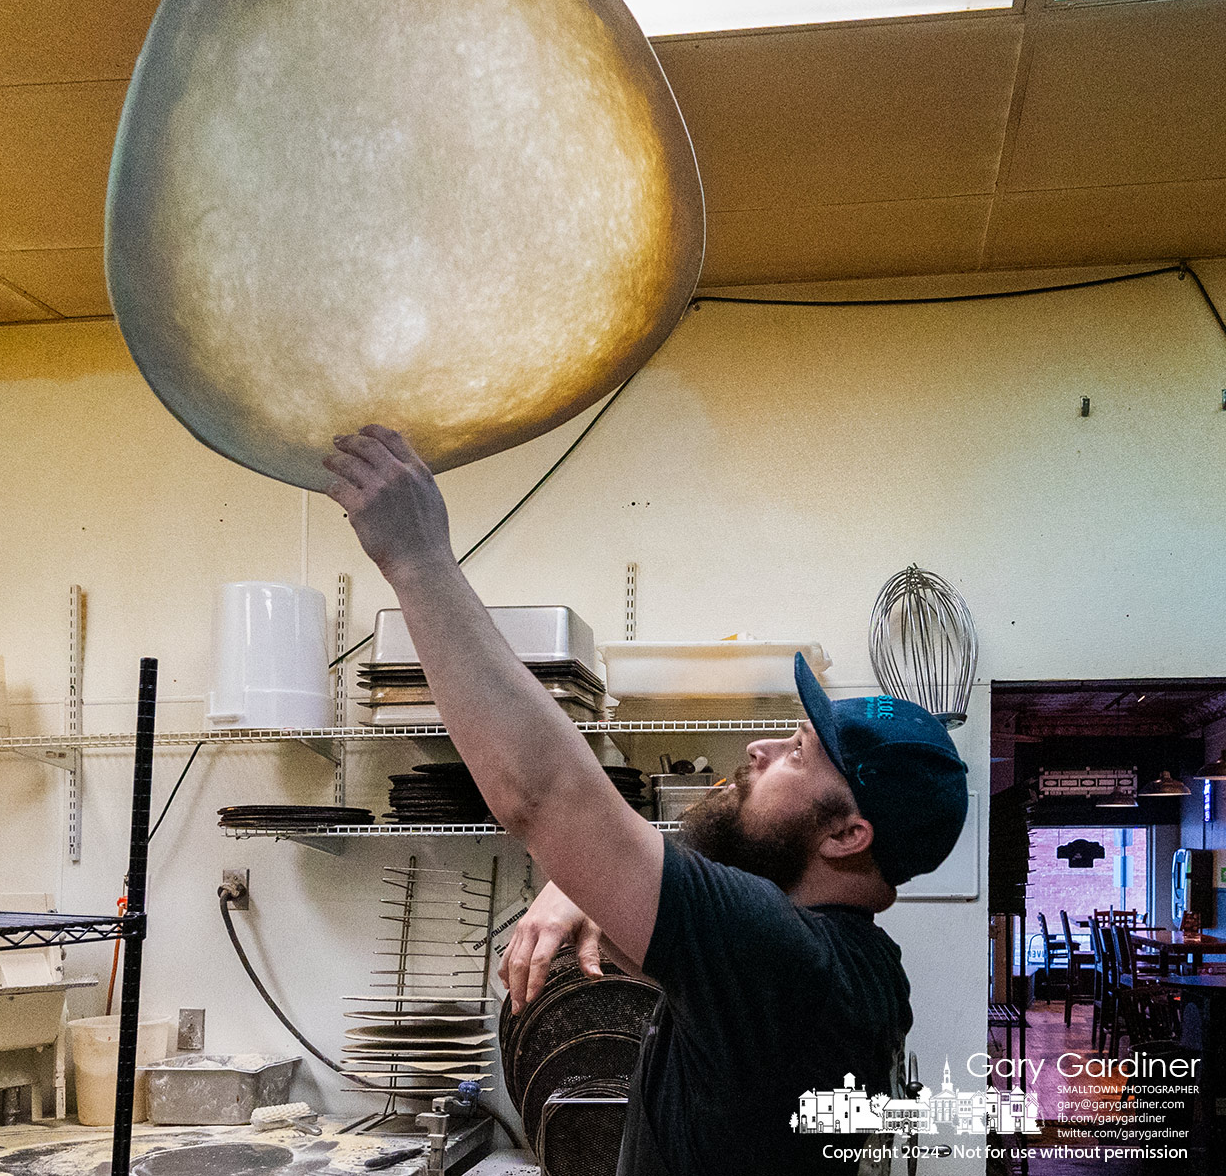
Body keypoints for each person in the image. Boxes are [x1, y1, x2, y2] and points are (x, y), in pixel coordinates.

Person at [321, 426, 970, 1175]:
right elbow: (683, 864)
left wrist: (418, 558)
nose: (759, 751)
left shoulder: (785, 960)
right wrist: (580, 881)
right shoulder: (858, 964)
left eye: (798, 752)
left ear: (848, 833)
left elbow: (542, 792)